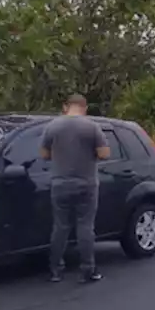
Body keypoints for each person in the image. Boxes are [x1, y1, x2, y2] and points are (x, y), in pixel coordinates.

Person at [40, 93, 110, 283]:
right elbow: (104, 154)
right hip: (86, 184)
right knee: (85, 227)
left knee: (60, 227)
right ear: (84, 108)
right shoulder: (92, 127)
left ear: (66, 107)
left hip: (60, 184)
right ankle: (88, 270)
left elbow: (44, 154)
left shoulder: (52, 126)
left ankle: (55, 270)